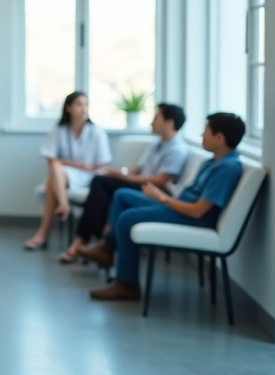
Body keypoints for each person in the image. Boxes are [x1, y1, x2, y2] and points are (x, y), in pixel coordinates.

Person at [81, 113, 245, 301]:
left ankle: (127, 284)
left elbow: (198, 211)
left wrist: (162, 198)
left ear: (219, 138)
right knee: (122, 196)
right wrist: (167, 194)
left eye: (206, 131)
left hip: (192, 218)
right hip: (181, 207)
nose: (201, 135)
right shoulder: (212, 162)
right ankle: (107, 249)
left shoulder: (227, 168)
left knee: (127, 219)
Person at [59, 103, 189, 263]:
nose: (151, 122)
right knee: (102, 185)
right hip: (140, 184)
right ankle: (99, 243)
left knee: (102, 184)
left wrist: (126, 178)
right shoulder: (155, 144)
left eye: (156, 118)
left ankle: (95, 243)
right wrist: (120, 174)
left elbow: (160, 181)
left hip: (153, 190)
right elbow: (138, 170)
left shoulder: (177, 149)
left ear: (169, 123)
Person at [24, 92, 111, 250]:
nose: (84, 109)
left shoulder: (97, 132)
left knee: (53, 177)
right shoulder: (59, 130)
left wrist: (67, 163)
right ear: (69, 108)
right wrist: (76, 164)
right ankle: (63, 205)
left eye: (86, 105)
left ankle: (43, 233)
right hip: (65, 175)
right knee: (55, 168)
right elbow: (51, 159)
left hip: (89, 177)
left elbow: (101, 164)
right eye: (79, 104)